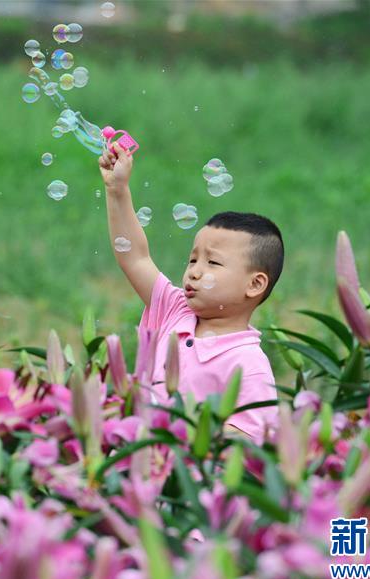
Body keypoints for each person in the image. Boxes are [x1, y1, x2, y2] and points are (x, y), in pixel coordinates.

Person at [99, 143, 283, 442]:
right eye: (193, 259)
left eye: (212, 262)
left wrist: (182, 434)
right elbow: (135, 257)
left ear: (255, 284)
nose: (195, 271)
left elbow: (248, 437)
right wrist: (117, 190)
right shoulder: (174, 310)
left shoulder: (248, 363)